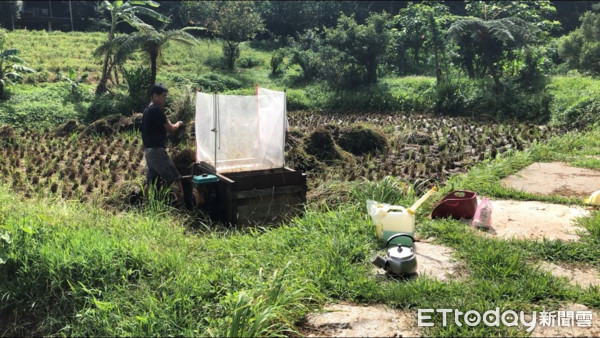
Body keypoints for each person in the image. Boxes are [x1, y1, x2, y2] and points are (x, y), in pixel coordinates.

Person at [141, 83, 185, 204]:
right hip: (157, 152)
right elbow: (170, 128)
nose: (165, 98)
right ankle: (183, 210)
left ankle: (146, 205)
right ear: (155, 95)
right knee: (175, 178)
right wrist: (179, 124)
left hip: (149, 152)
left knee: (152, 181)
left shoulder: (148, 110)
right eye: (164, 96)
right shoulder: (156, 110)